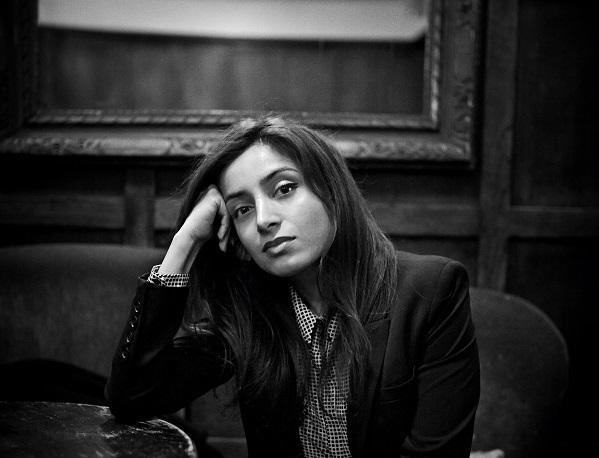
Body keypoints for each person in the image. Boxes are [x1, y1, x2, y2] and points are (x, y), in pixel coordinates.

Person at [105, 116, 480, 458]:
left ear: (331, 191)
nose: (264, 220)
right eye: (242, 210)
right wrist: (184, 243)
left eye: (284, 189)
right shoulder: (252, 309)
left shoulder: (432, 290)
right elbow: (132, 395)